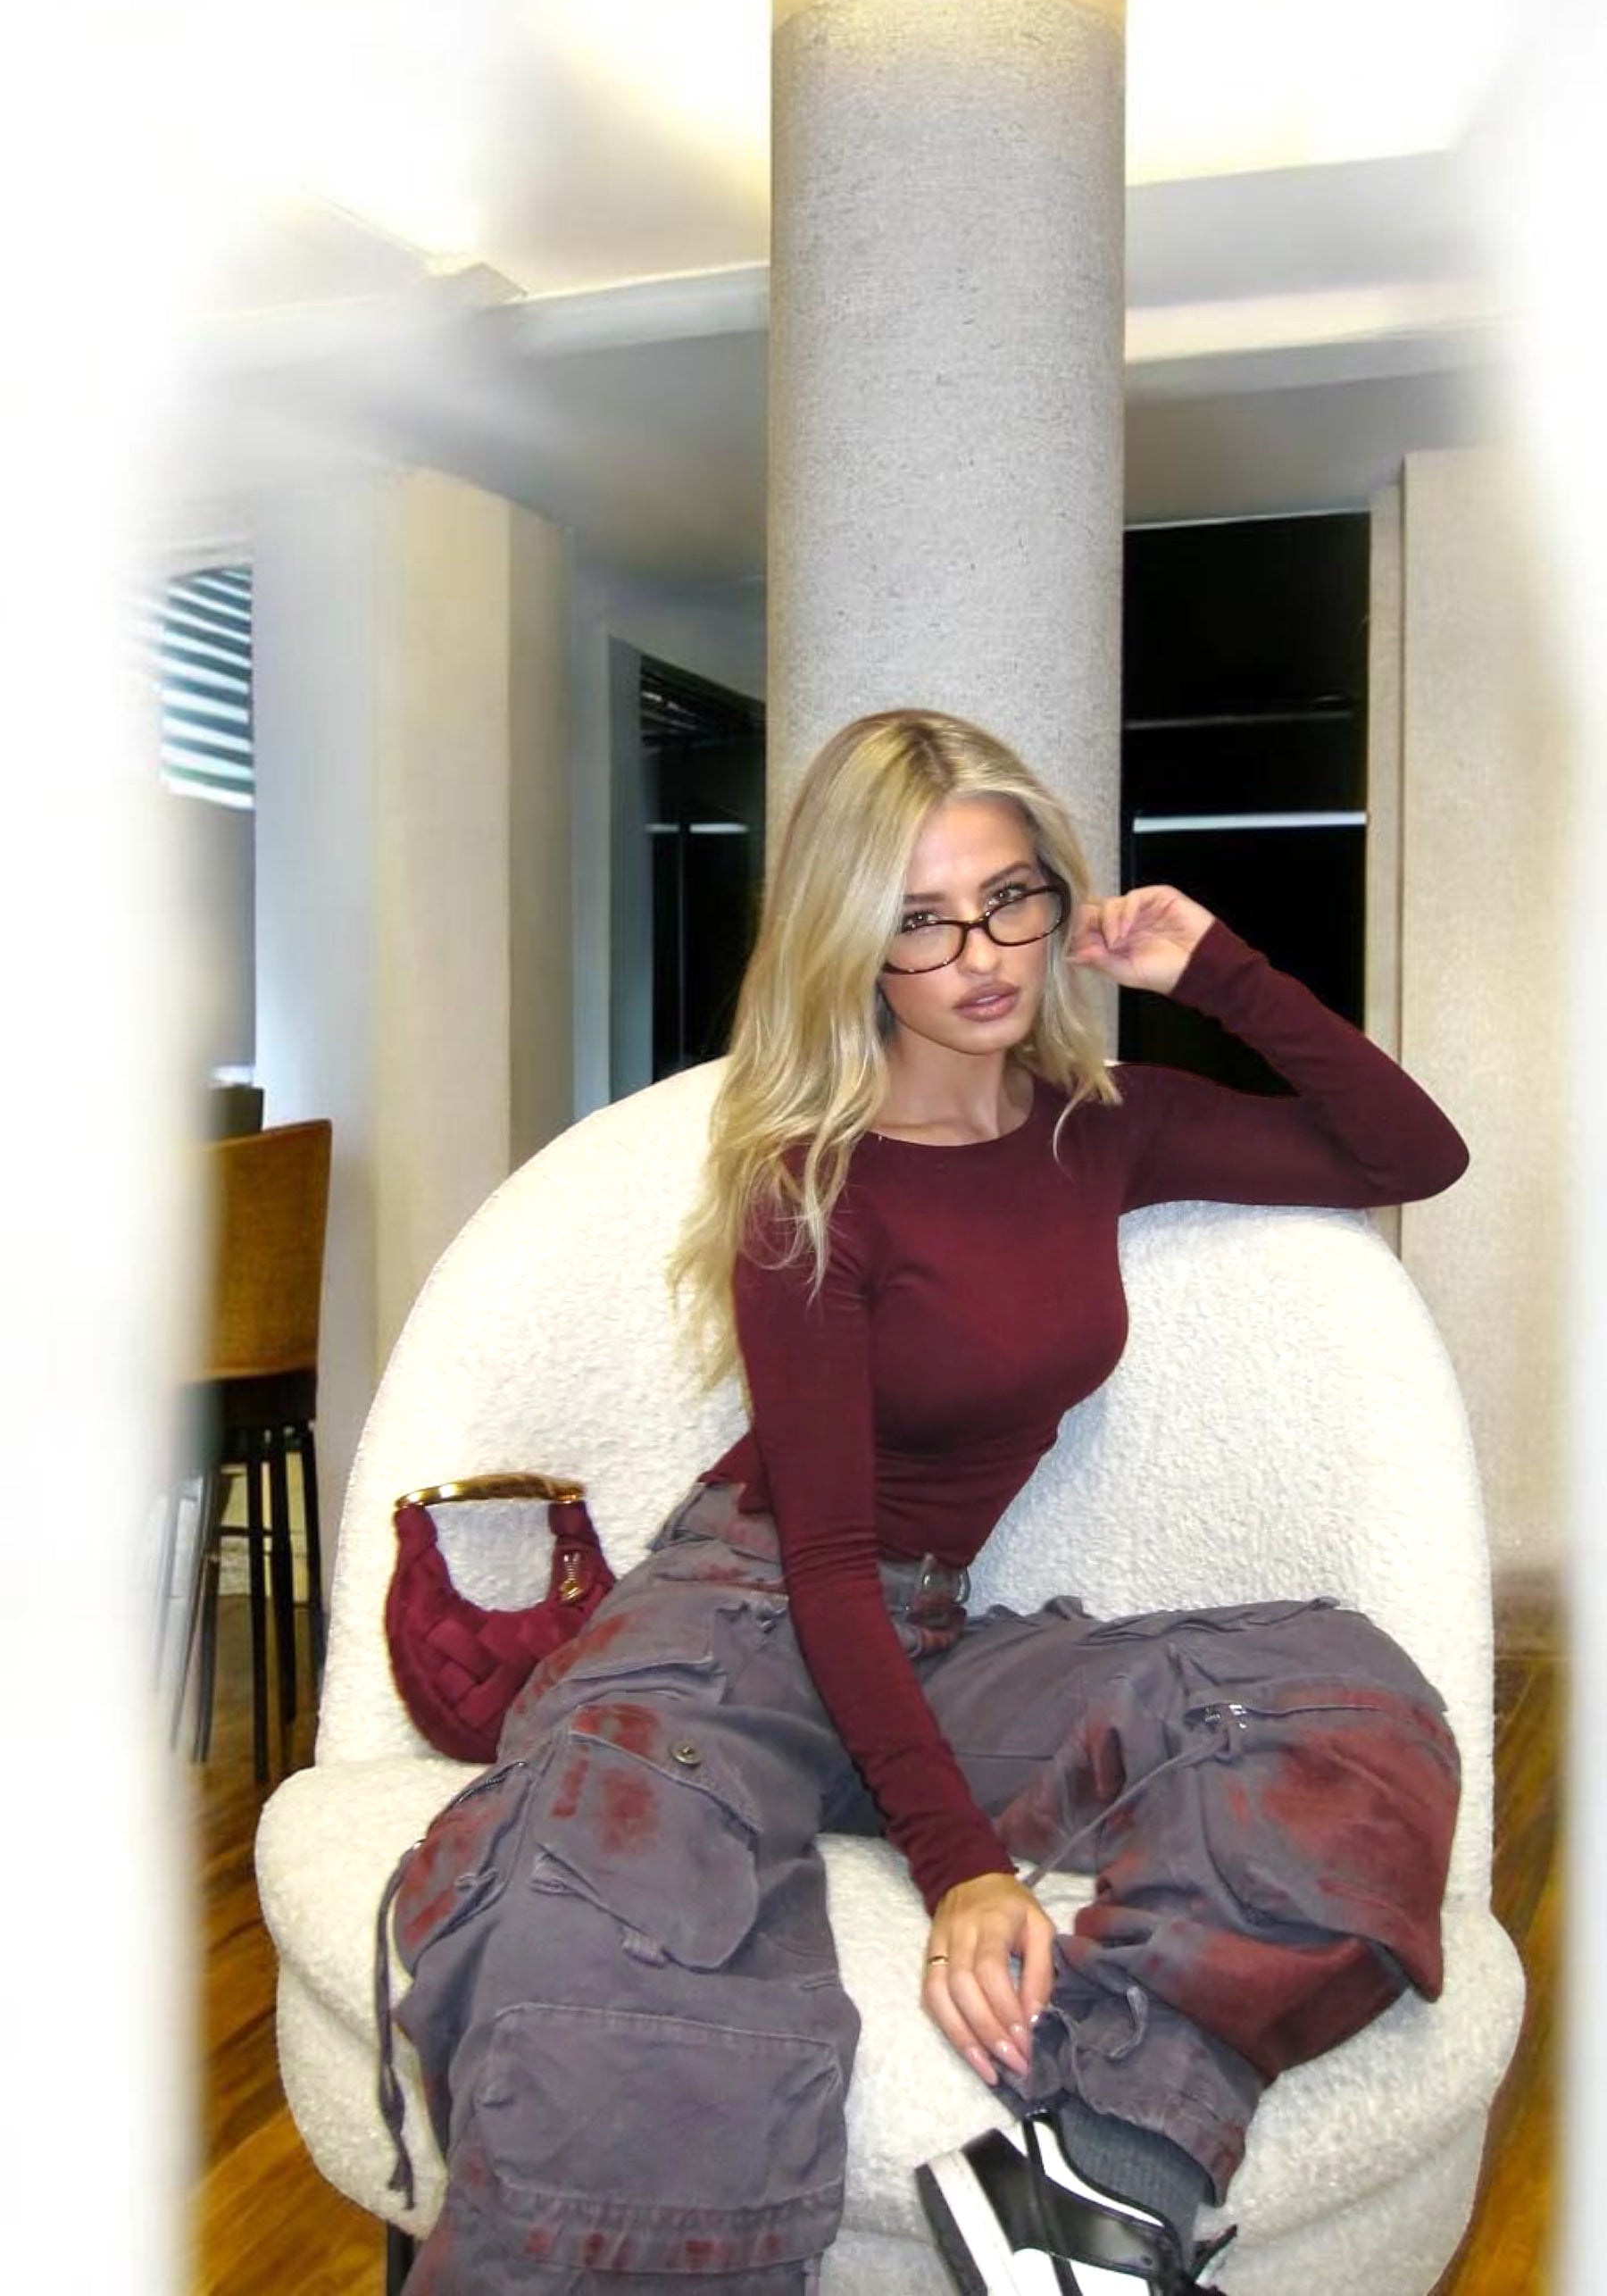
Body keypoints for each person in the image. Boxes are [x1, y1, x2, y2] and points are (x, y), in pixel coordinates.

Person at [386, 709, 1469, 2296]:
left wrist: (1218, 968)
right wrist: (961, 1870)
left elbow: (1410, 1152)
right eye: (919, 918)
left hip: (929, 1641)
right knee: (616, 1951)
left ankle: (1100, 2181)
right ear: (852, 944)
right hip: (737, 1626)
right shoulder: (809, 1182)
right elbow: (825, 1558)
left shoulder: (1105, 1128)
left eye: (1009, 898)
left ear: (1057, 897)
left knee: (1342, 1706)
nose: (980, 955)